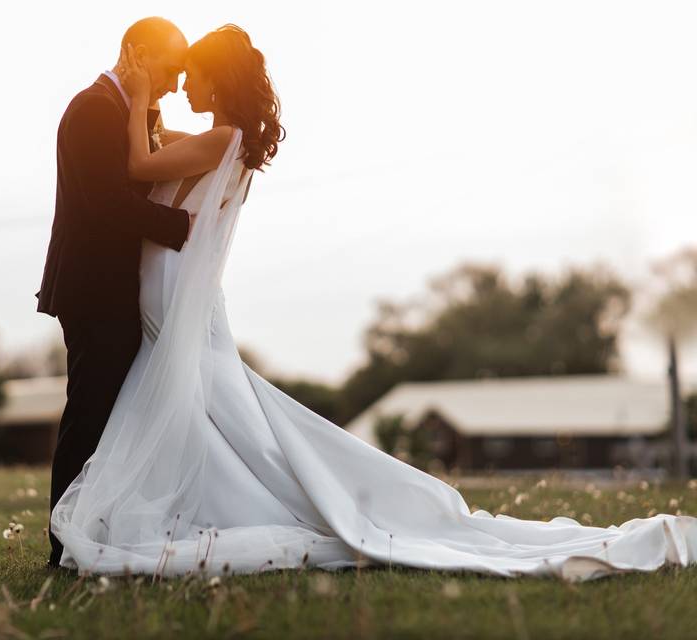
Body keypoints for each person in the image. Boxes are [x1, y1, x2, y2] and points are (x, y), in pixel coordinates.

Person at [50, 23, 697, 582]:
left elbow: (137, 166)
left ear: (216, 81)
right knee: (205, 410)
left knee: (212, 410)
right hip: (173, 294)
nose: (180, 86)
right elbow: (148, 175)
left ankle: (234, 503)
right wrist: (142, 106)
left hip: (174, 295)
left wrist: (137, 98)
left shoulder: (220, 142)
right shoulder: (221, 141)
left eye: (191, 76)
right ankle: (180, 500)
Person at [35, 17, 195, 569]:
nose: (176, 85)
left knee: (114, 415)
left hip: (115, 289)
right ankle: (63, 546)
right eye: (170, 70)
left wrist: (149, 110)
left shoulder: (125, 109)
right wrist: (187, 230)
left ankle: (96, 532)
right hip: (92, 290)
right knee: (90, 414)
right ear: (137, 53)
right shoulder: (93, 110)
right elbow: (109, 205)